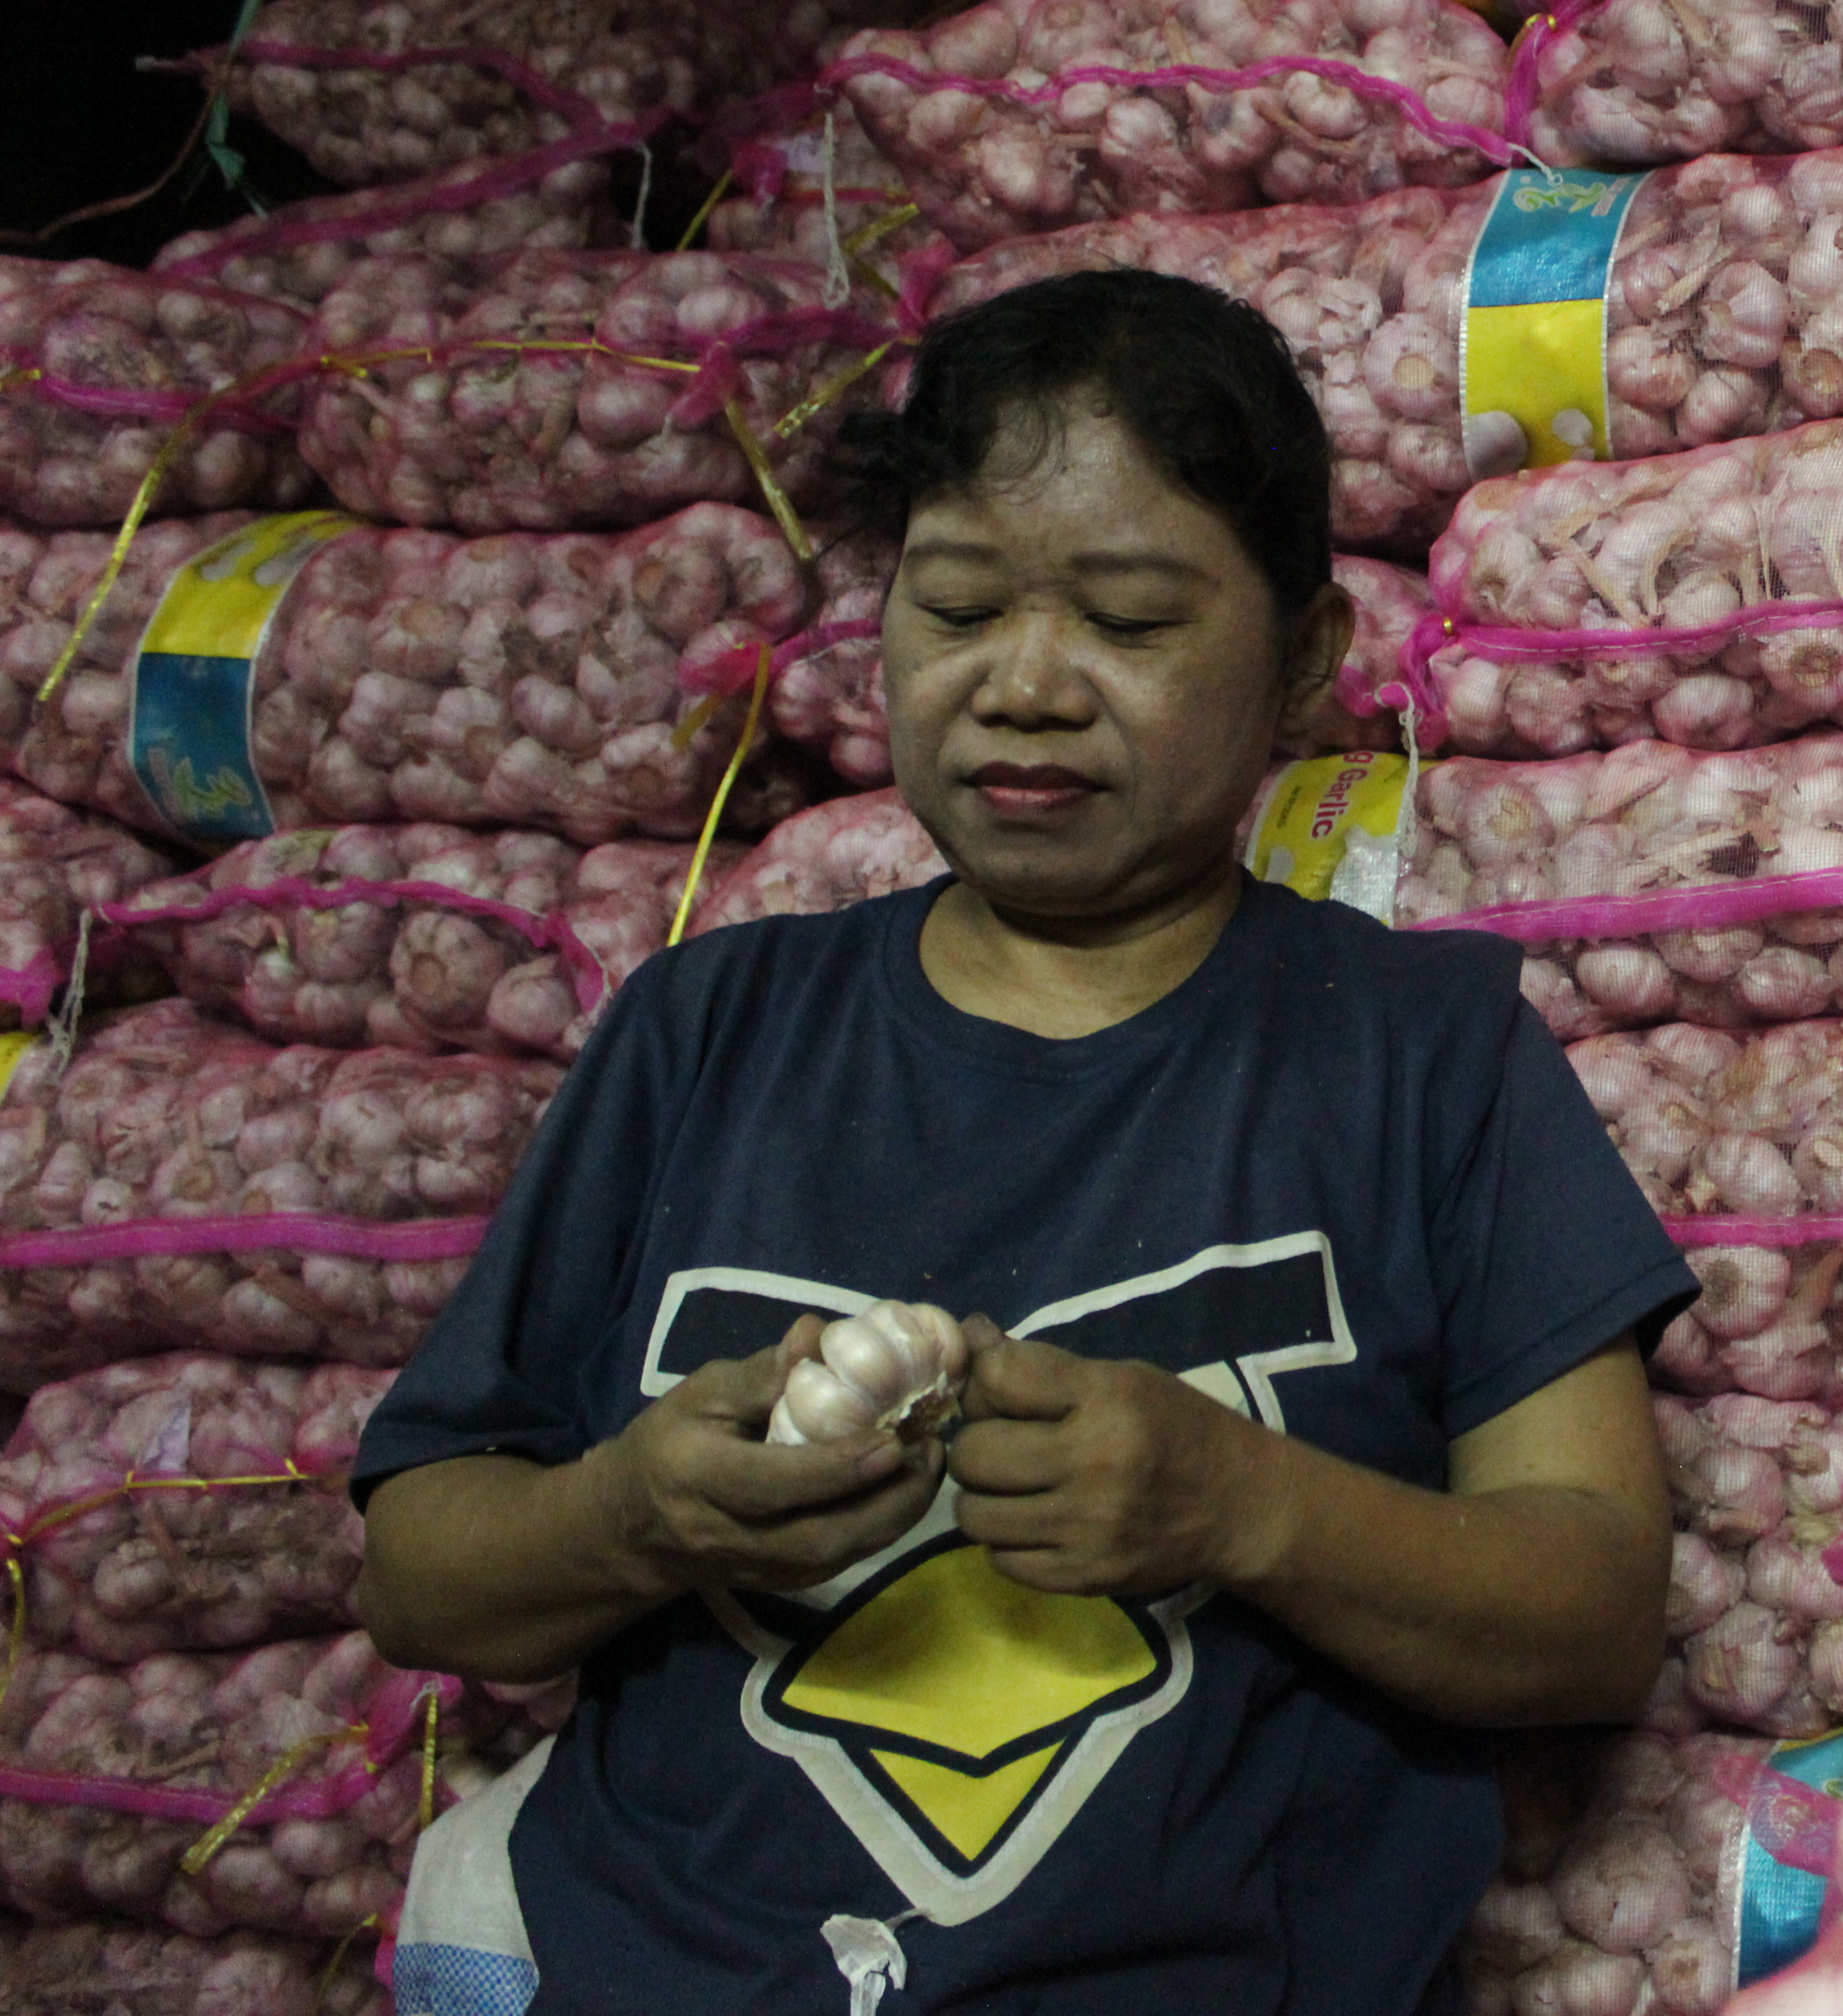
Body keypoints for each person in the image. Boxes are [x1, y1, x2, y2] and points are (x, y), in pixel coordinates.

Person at [353, 270, 1696, 2015]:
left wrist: (1239, 1502)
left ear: (1304, 664)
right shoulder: (708, 1029)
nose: (1027, 688)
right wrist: (639, 1513)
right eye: (959, 608)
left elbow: (1588, 1612)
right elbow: (422, 1580)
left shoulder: (1423, 1058)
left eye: (1130, 623)